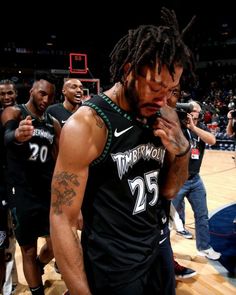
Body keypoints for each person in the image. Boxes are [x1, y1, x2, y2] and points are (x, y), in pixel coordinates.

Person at [50, 7, 195, 295]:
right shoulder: (88, 124)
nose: (164, 99)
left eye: (172, 89)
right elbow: (61, 219)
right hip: (114, 263)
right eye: (156, 87)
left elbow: (169, 191)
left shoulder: (162, 113)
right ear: (128, 71)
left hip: (159, 247)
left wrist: (181, 151)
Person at [1, 73, 61, 295]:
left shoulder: (53, 124)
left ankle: (37, 266)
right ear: (31, 91)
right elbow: (7, 135)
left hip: (46, 193)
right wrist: (17, 134)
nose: (46, 99)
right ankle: (37, 291)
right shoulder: (15, 112)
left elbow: (60, 160)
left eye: (51, 96)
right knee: (27, 249)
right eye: (42, 93)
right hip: (21, 192)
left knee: (56, 246)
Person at [172, 101, 221, 260]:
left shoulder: (199, 128)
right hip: (177, 181)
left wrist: (193, 127)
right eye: (192, 111)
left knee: (202, 215)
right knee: (169, 220)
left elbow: (212, 140)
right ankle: (164, 252)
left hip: (195, 179)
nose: (194, 115)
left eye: (197, 112)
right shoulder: (177, 127)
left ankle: (204, 247)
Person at [0, 79, 18, 294]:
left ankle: (11, 284)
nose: (6, 97)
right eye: (2, 94)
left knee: (12, 241)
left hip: (15, 185)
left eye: (10, 93)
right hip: (3, 186)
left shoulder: (21, 115)